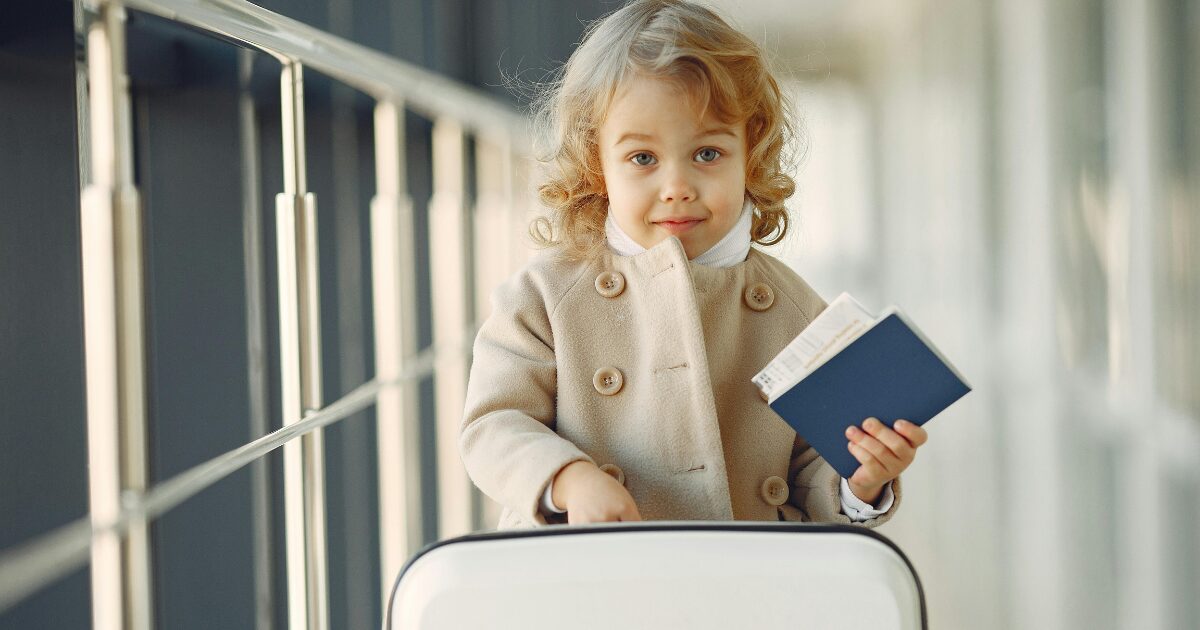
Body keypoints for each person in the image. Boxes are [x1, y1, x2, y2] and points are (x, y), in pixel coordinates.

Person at [460, 0, 928, 529]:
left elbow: (813, 469)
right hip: (588, 577)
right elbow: (494, 425)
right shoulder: (543, 296)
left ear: (749, 153)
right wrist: (568, 478)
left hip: (743, 592)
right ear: (597, 163)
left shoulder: (797, 311)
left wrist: (860, 479)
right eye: (643, 159)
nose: (677, 187)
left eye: (707, 153)